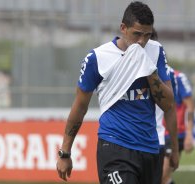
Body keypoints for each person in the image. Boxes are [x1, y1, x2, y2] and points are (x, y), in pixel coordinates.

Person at [56, 1, 179, 184]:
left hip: (150, 149)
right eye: (137, 34)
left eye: (147, 35)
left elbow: (168, 104)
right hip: (115, 146)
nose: (142, 41)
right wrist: (65, 152)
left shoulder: (156, 51)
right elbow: (80, 107)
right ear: (123, 28)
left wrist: (174, 149)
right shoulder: (98, 58)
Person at [151, 29, 180, 184]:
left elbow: (170, 107)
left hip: (157, 137)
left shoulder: (167, 74)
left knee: (162, 178)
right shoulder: (126, 68)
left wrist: (175, 148)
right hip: (130, 139)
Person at [162, 65, 195, 184]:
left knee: (163, 175)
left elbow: (190, 106)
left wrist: (189, 134)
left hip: (173, 133)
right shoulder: (146, 73)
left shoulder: (178, 77)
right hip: (154, 133)